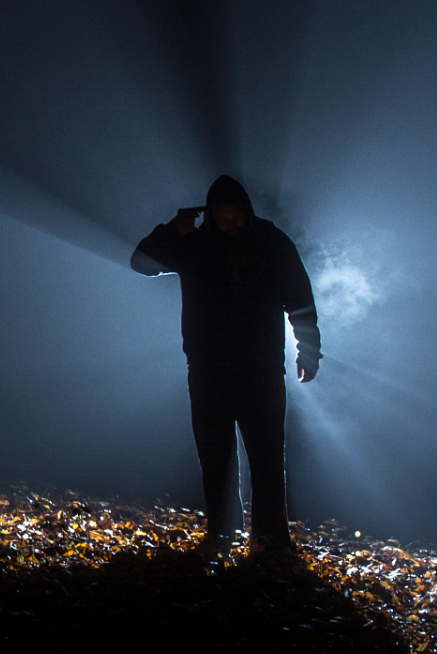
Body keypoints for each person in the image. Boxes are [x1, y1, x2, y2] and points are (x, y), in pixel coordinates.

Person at [133, 175, 321, 555]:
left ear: (248, 211)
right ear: (211, 217)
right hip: (208, 370)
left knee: (267, 457)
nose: (232, 224)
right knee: (216, 457)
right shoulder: (194, 245)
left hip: (260, 370)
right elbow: (142, 261)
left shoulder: (271, 242)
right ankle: (223, 534)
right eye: (224, 218)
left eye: (237, 217)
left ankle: (268, 539)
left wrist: (309, 350)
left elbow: (300, 299)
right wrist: (171, 231)